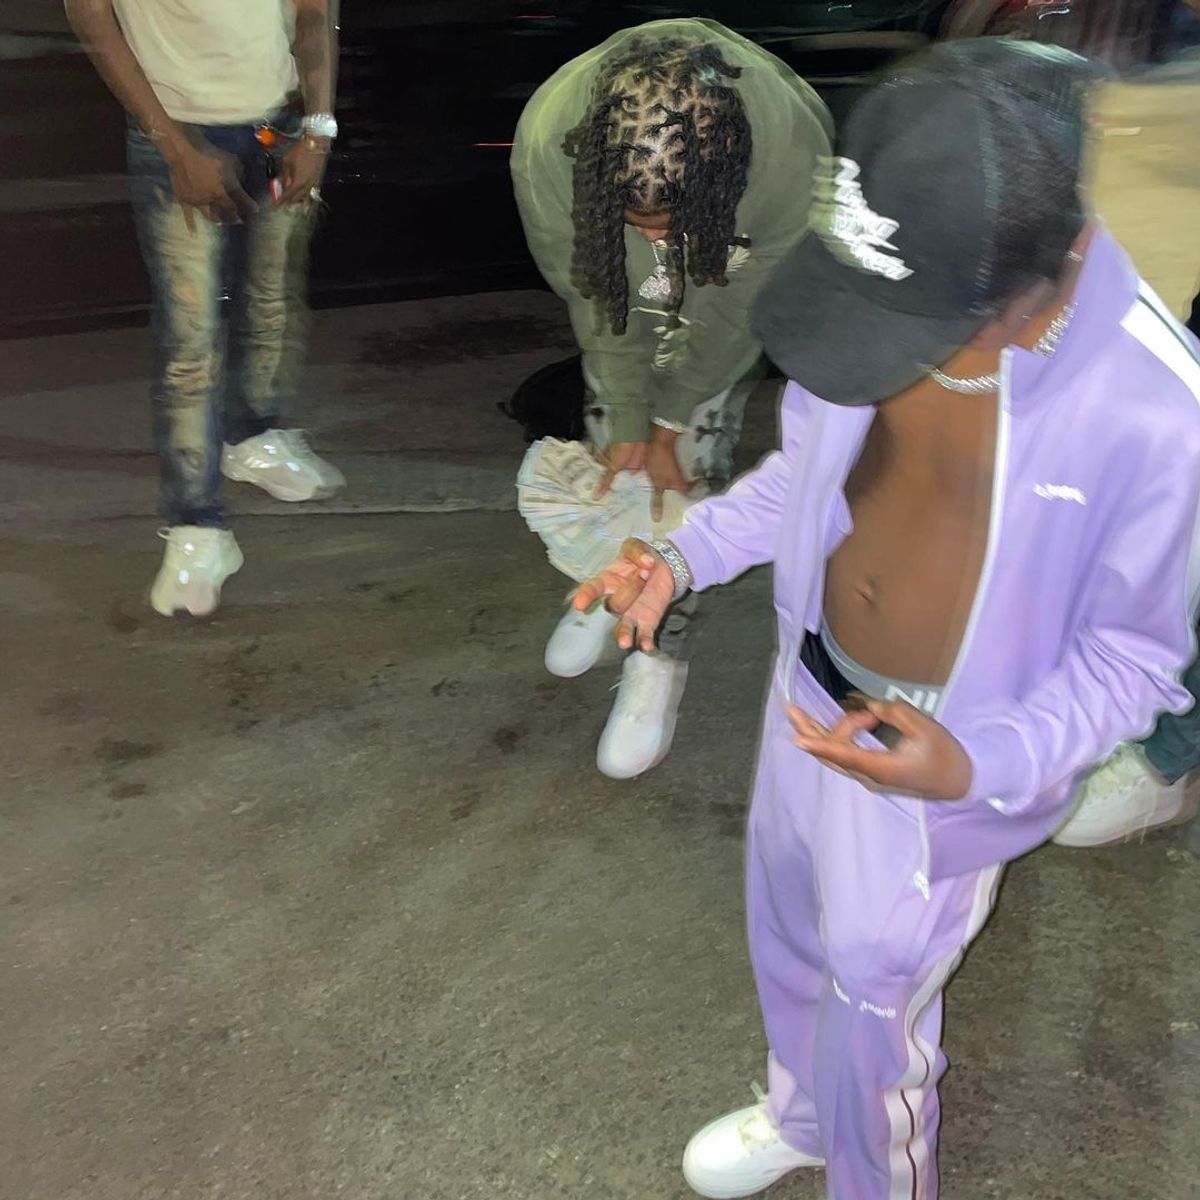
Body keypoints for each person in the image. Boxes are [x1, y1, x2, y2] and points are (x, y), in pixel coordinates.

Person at [574, 39, 1200, 1199]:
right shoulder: (877, 294)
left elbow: (1134, 660)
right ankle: (803, 1115)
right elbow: (802, 482)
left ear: (1061, 258)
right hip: (804, 687)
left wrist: (979, 763)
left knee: (876, 996)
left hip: (940, 746)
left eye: (922, 322)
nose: (882, 349)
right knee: (787, 926)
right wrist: (682, 553)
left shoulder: (1158, 414)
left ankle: (873, 1173)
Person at [510, 19, 832, 779]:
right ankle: (608, 575)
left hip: (733, 269)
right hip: (616, 255)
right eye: (638, 222)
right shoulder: (547, 148)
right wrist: (628, 413)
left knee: (691, 458)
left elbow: (740, 314)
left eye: (666, 225)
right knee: (614, 448)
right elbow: (592, 294)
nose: (655, 241)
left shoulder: (791, 158)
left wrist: (673, 415)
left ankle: (658, 652)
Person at [66, 0, 345, 617]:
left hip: (277, 126)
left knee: (271, 299)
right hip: (181, 133)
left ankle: (253, 437)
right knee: (191, 339)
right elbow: (89, 16)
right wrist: (175, 148)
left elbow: (315, 11)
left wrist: (317, 130)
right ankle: (197, 525)